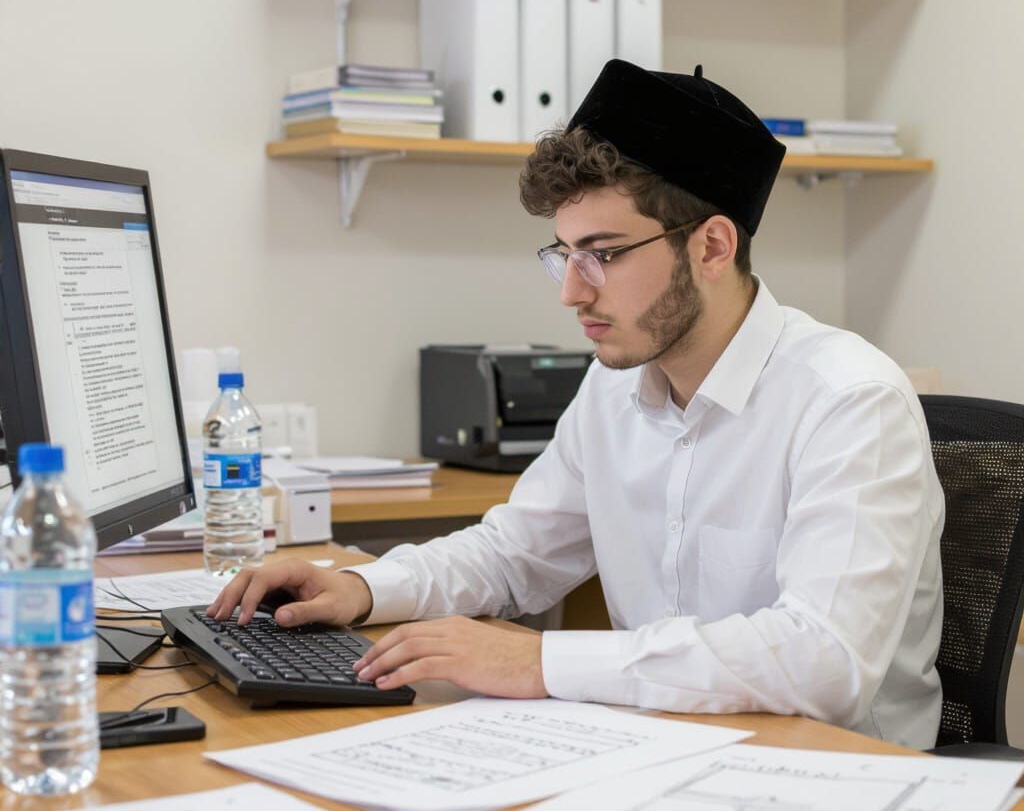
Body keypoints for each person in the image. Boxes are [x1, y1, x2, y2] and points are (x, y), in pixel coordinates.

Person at [209, 60, 944, 749]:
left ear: (713, 248)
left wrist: (542, 662)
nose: (571, 291)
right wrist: (361, 589)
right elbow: (514, 554)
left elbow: (825, 662)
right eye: (564, 254)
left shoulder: (850, 402)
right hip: (657, 745)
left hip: (832, 775)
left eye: (604, 254)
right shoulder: (614, 385)